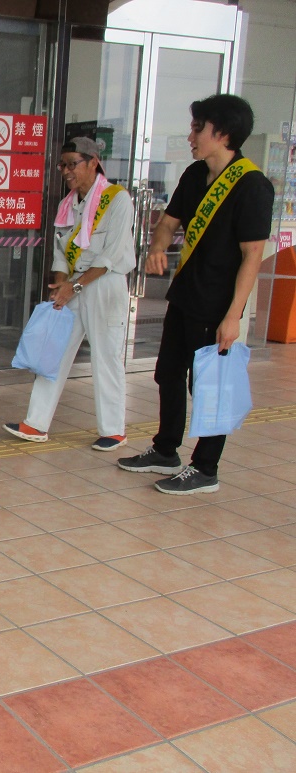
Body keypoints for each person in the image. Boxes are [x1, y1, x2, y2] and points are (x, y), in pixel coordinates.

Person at [118, 94, 274, 494]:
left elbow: (252, 255)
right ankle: (165, 449)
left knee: (208, 385)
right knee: (168, 373)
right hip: (185, 295)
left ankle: (205, 468)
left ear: (222, 133)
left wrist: (233, 316)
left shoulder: (252, 186)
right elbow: (168, 223)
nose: (190, 136)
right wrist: (157, 247)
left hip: (217, 304)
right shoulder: (194, 174)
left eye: (197, 128)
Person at [4, 137, 136, 451]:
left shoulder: (118, 200)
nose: (66, 171)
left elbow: (111, 255)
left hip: (105, 286)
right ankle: (36, 423)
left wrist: (73, 286)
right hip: (73, 286)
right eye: (62, 165)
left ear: (93, 162)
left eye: (72, 164)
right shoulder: (68, 205)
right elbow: (61, 254)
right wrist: (61, 285)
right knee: (55, 352)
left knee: (106, 357)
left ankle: (113, 430)